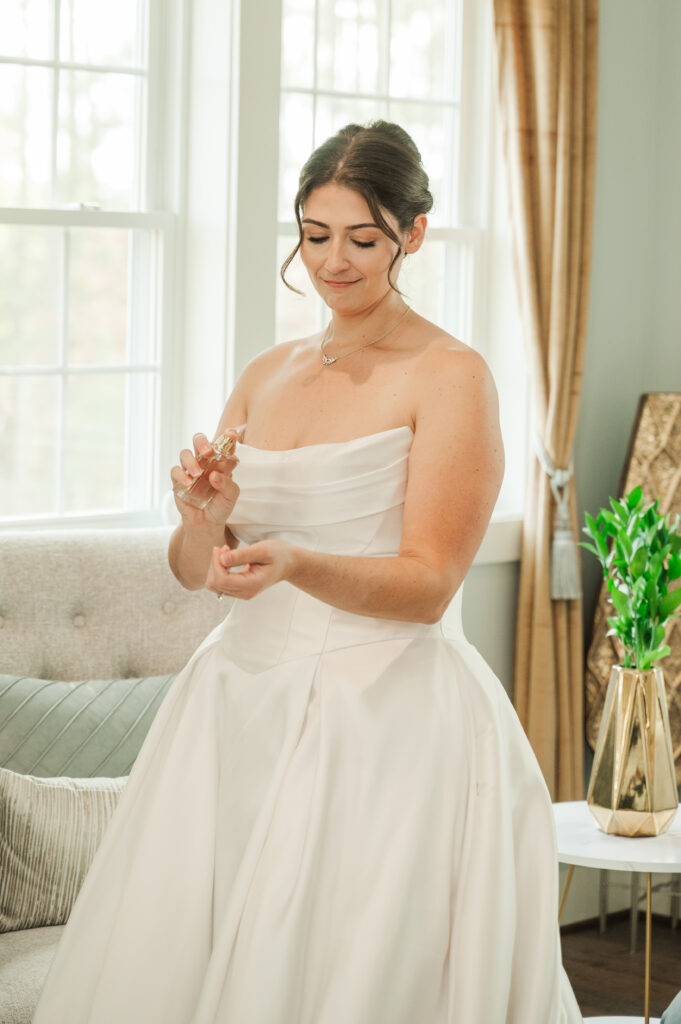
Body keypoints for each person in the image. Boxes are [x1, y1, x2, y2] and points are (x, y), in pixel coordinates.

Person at [33, 121, 582, 1023]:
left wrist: (294, 563)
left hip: (382, 719)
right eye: (315, 234)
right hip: (232, 706)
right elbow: (195, 573)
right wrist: (201, 516)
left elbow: (428, 586)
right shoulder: (266, 373)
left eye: (362, 239)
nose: (333, 262)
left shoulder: (449, 375)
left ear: (412, 233)